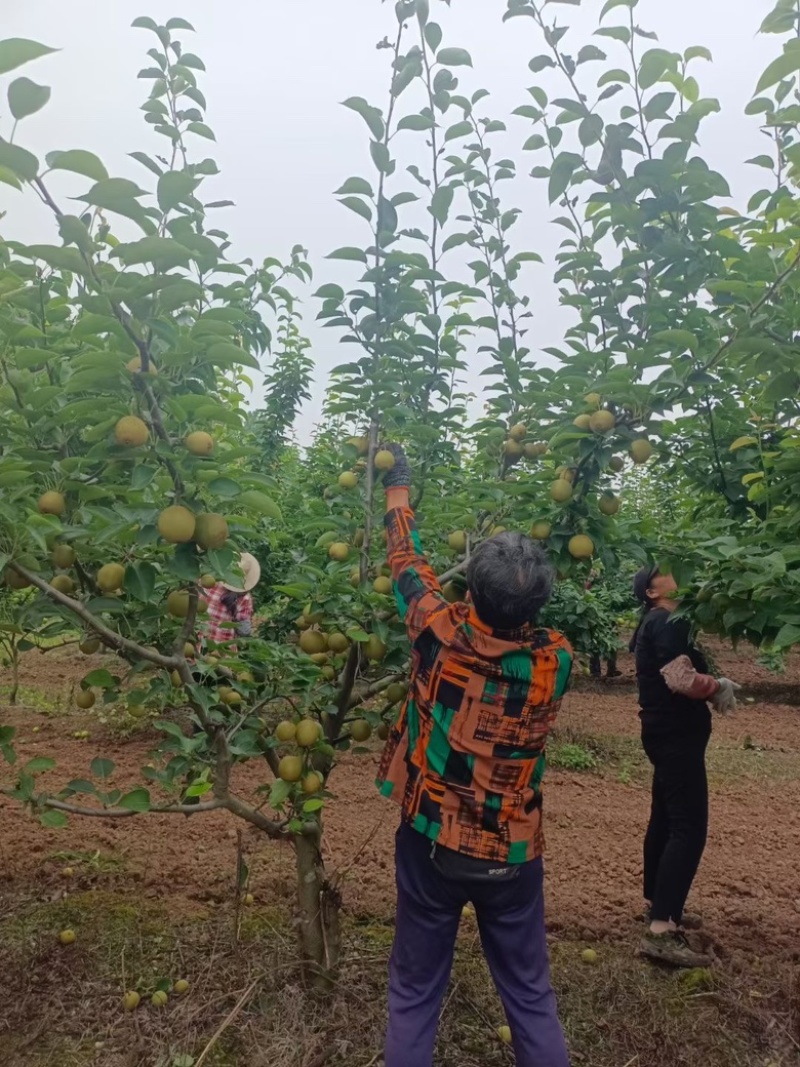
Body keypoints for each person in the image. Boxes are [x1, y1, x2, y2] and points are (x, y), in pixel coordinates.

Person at [376, 443, 573, 1067]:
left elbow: (407, 564)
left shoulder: (438, 633)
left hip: (433, 841)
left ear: (470, 593)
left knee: (413, 991)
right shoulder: (556, 661)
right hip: (512, 851)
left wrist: (398, 487)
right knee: (530, 995)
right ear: (538, 603)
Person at [631, 565, 740, 968]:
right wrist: (716, 687)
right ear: (651, 593)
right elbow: (679, 678)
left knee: (665, 818)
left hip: (663, 733)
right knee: (688, 826)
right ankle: (661, 931)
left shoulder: (656, 621)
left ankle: (660, 904)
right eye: (661, 573)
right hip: (676, 736)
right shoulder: (667, 621)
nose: (673, 572)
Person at [200, 552, 260, 650]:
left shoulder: (210, 582)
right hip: (223, 650)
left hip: (200, 641)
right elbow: (244, 631)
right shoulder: (245, 598)